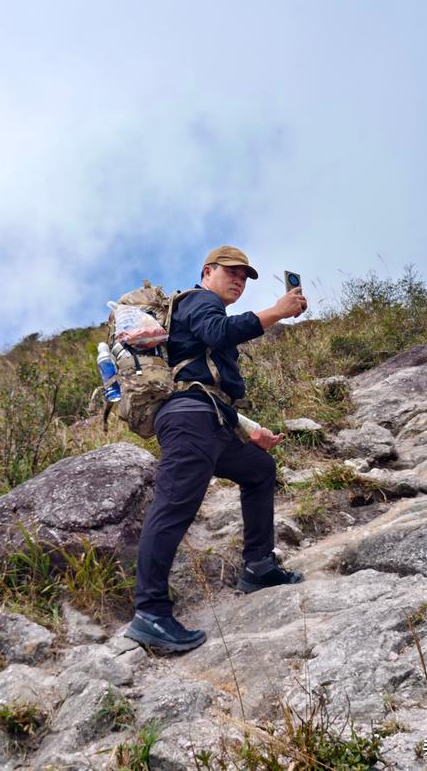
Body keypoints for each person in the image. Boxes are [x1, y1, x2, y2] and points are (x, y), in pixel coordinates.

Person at [124, 246, 308, 652]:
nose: (239, 281)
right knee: (174, 506)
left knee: (258, 469)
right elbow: (219, 335)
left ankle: (259, 566)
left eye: (244, 277)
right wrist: (276, 312)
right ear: (208, 272)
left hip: (209, 419)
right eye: (232, 272)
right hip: (189, 421)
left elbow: (205, 385)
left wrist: (250, 431)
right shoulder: (198, 300)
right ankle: (150, 613)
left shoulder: (202, 312)